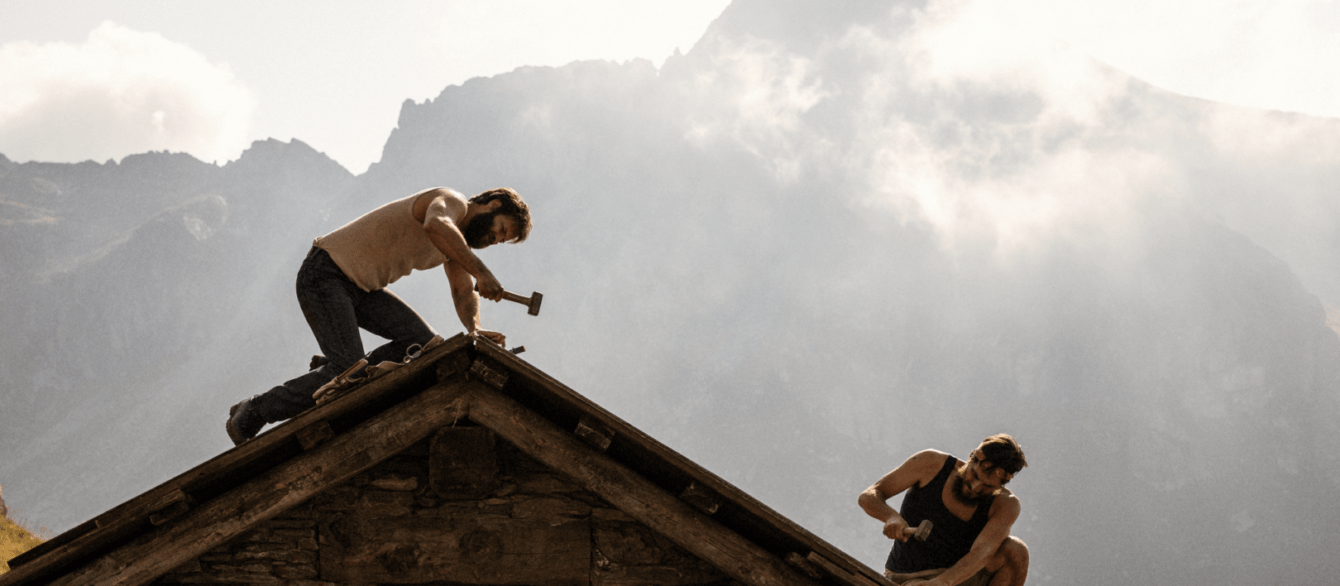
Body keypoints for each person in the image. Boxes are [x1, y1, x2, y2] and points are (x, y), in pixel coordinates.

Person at [225, 186, 532, 445]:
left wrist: (475, 330)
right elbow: (435, 225)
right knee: (349, 371)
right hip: (326, 273)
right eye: (501, 229)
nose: (495, 240)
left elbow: (463, 292)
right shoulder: (451, 202)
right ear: (493, 204)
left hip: (361, 289)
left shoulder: (456, 245)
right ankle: (256, 409)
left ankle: (336, 368)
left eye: (501, 241)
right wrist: (482, 271)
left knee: (423, 345)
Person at [858, 434, 1030, 586]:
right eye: (975, 475)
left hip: (954, 579)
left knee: (1016, 551)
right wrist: (891, 517)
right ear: (972, 457)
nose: (976, 487)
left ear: (1002, 484)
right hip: (907, 578)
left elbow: (982, 553)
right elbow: (869, 496)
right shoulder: (931, 464)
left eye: (988, 486)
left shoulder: (1006, 504)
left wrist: (942, 582)